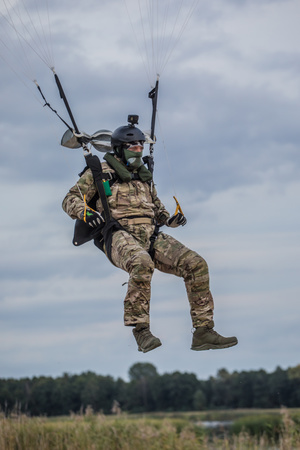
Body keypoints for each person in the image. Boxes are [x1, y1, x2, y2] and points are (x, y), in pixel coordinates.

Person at [62, 117, 238, 353]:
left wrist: (170, 220)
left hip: (151, 234)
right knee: (141, 263)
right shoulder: (100, 172)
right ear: (120, 149)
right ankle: (141, 332)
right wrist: (85, 212)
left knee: (196, 264)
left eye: (140, 146)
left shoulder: (144, 176)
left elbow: (158, 209)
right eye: (133, 146)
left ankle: (203, 331)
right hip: (118, 234)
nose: (138, 150)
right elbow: (69, 199)